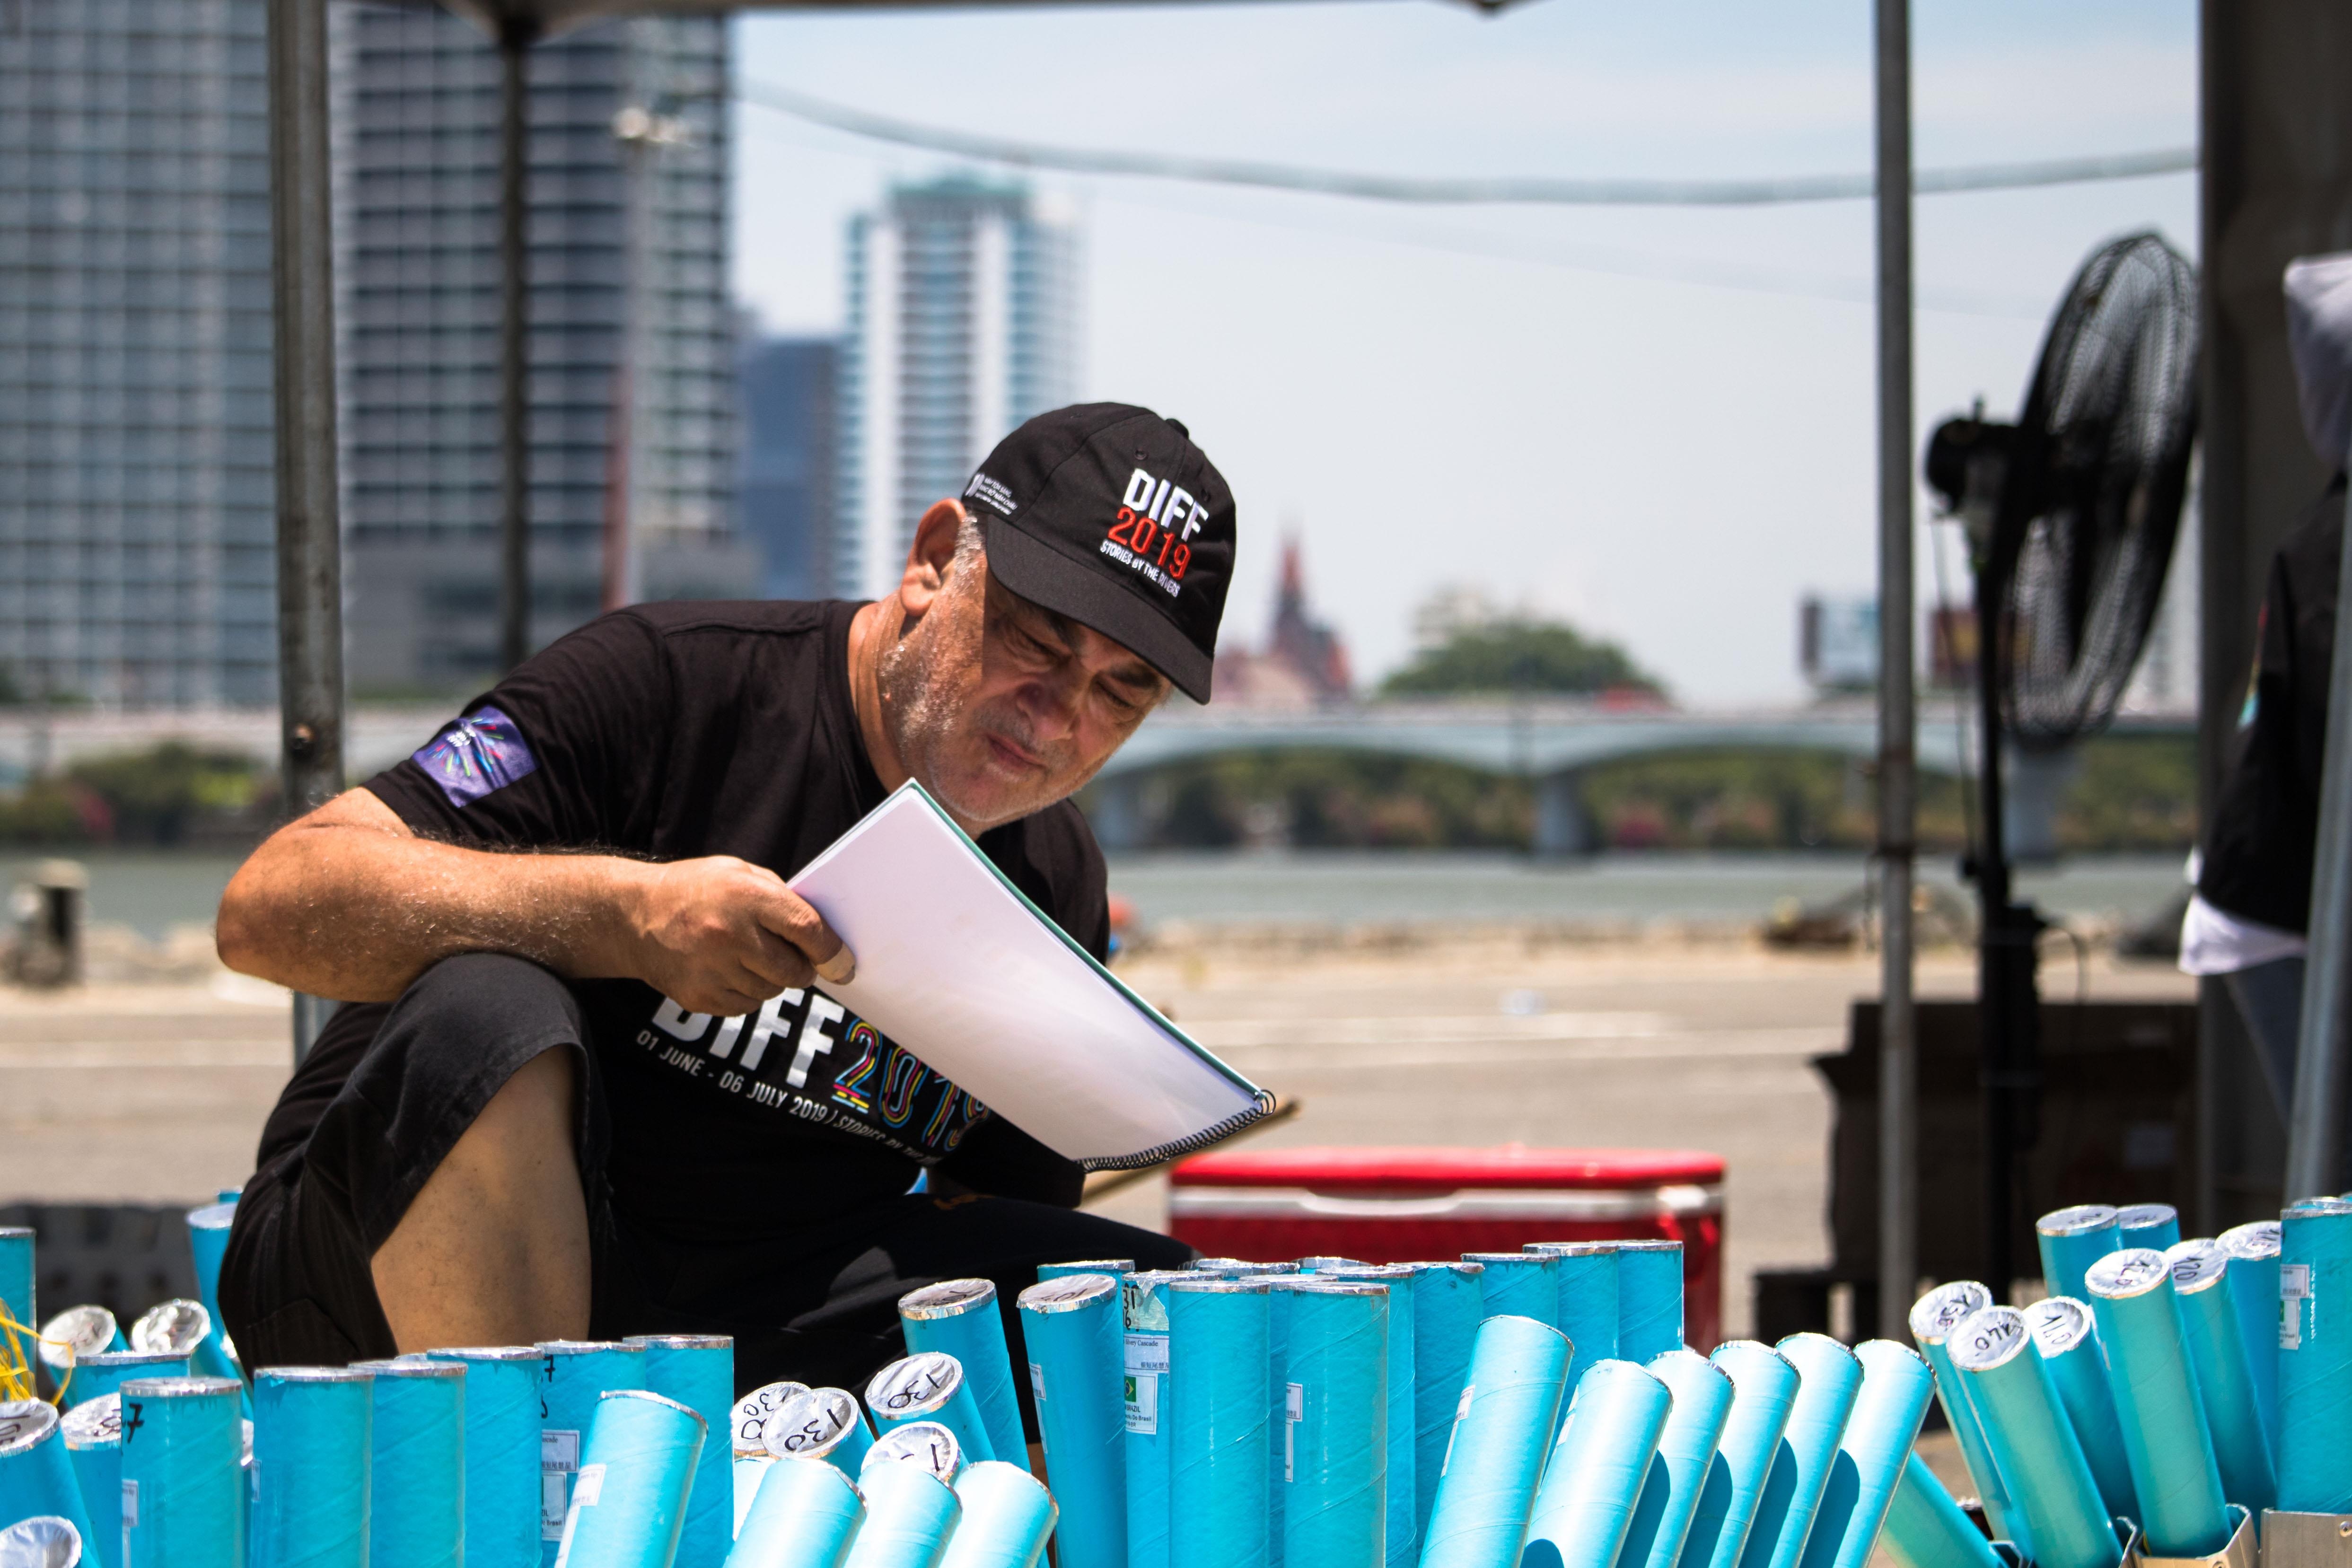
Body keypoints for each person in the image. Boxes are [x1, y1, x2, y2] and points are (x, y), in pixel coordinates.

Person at [213, 403, 1232, 1404]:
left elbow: (997, 1213)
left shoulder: (1052, 875)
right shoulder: (667, 683)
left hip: (756, 1302)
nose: (1056, 716)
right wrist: (624, 918)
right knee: (489, 1009)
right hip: (367, 1267)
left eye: (1119, 690)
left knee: (1153, 1322)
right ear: (933, 561)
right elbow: (267, 905)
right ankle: (545, 1492)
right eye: (1037, 641)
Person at [2182, 253, 2349, 1118]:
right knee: (2339, 1177)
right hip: (2280, 899)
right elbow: (2327, 744)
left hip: (2296, 889)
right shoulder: (2330, 549)